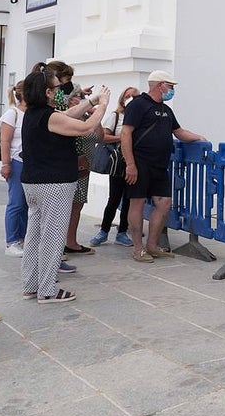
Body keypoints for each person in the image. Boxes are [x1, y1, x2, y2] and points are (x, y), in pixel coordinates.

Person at [19, 69, 110, 303]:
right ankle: (48, 290)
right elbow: (86, 127)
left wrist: (91, 101)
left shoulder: (34, 113)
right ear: (48, 92)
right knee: (53, 237)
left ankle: (31, 285)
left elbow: (68, 114)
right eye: (58, 88)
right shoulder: (49, 117)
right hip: (54, 184)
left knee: (34, 235)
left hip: (34, 183)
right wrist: (103, 106)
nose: (61, 91)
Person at [121, 70, 206, 263]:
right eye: (170, 86)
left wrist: (199, 138)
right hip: (139, 163)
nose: (172, 89)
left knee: (164, 203)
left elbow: (179, 131)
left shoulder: (166, 110)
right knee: (137, 204)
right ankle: (138, 248)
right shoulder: (138, 105)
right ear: (160, 85)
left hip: (160, 165)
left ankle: (152, 245)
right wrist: (130, 164)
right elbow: (126, 134)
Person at [91, 86, 139, 247]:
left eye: (134, 96)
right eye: (128, 96)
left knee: (128, 199)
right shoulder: (116, 116)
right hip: (118, 162)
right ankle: (103, 231)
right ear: (122, 99)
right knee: (114, 198)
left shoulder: (140, 117)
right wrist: (123, 138)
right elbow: (103, 137)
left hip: (135, 161)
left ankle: (122, 232)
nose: (131, 99)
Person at [65, 83, 100, 255]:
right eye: (81, 96)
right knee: (65, 206)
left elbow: (100, 137)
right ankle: (60, 244)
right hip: (70, 166)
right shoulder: (66, 117)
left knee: (77, 205)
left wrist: (95, 115)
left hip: (84, 168)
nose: (84, 100)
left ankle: (71, 242)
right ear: (71, 100)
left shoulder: (87, 118)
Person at [0, 79, 28, 257]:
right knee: (16, 202)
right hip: (17, 161)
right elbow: (5, 141)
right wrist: (5, 164)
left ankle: (22, 238)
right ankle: (11, 241)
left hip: (29, 163)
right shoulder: (12, 114)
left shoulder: (30, 113)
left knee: (25, 204)